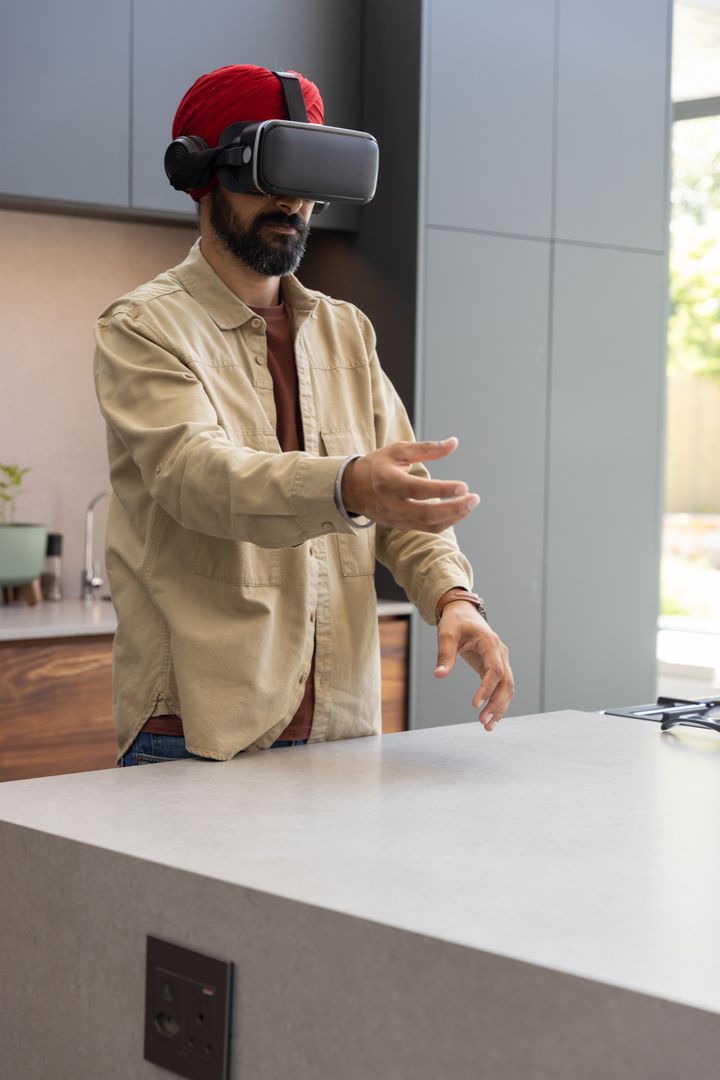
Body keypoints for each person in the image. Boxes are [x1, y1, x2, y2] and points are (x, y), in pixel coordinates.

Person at [93, 64, 514, 767]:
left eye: (311, 180)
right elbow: (196, 478)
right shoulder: (144, 327)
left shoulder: (346, 331)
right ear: (203, 175)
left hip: (340, 734)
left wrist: (454, 598)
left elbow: (396, 499)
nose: (294, 202)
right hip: (196, 731)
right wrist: (346, 485)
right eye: (270, 177)